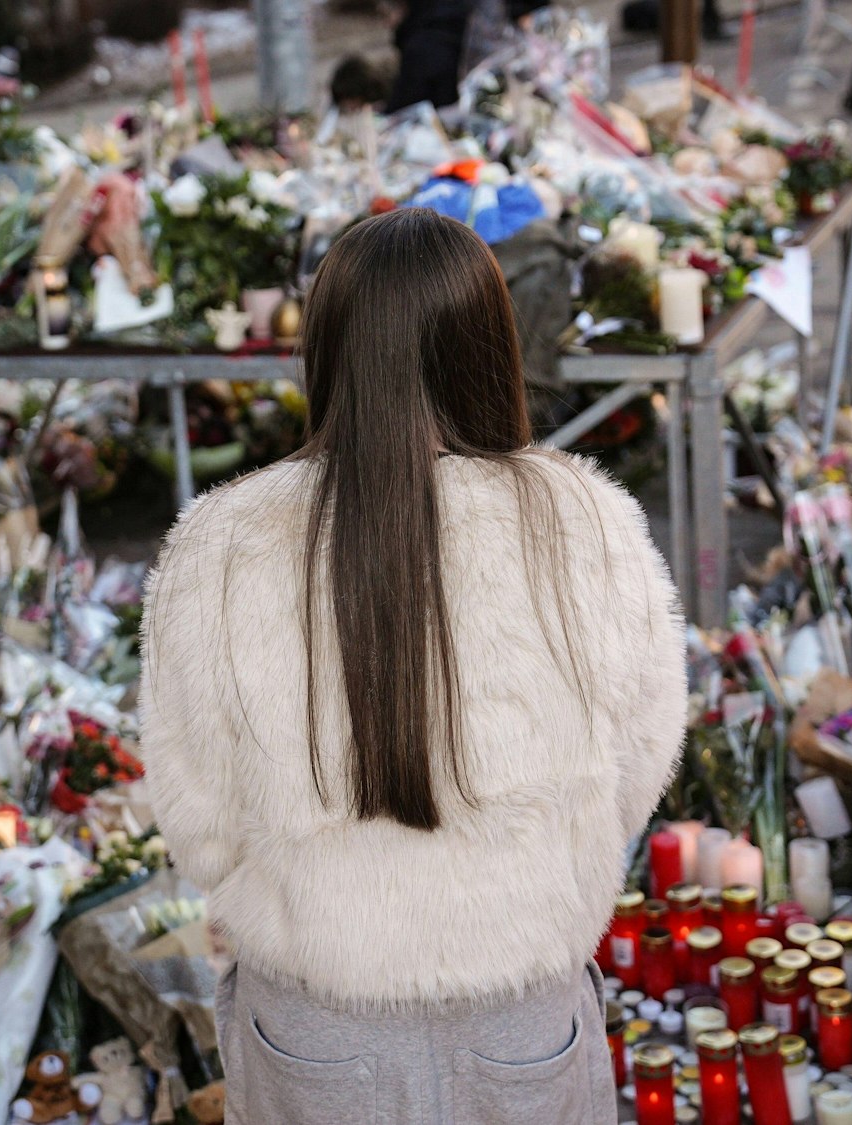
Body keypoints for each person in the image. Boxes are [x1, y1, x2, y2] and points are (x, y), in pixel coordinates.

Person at [139, 207, 687, 1124]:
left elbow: (199, 826)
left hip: (315, 1026)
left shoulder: (221, 543)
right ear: (490, 344)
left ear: (328, 351)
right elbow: (633, 773)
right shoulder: (585, 521)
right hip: (524, 1020)